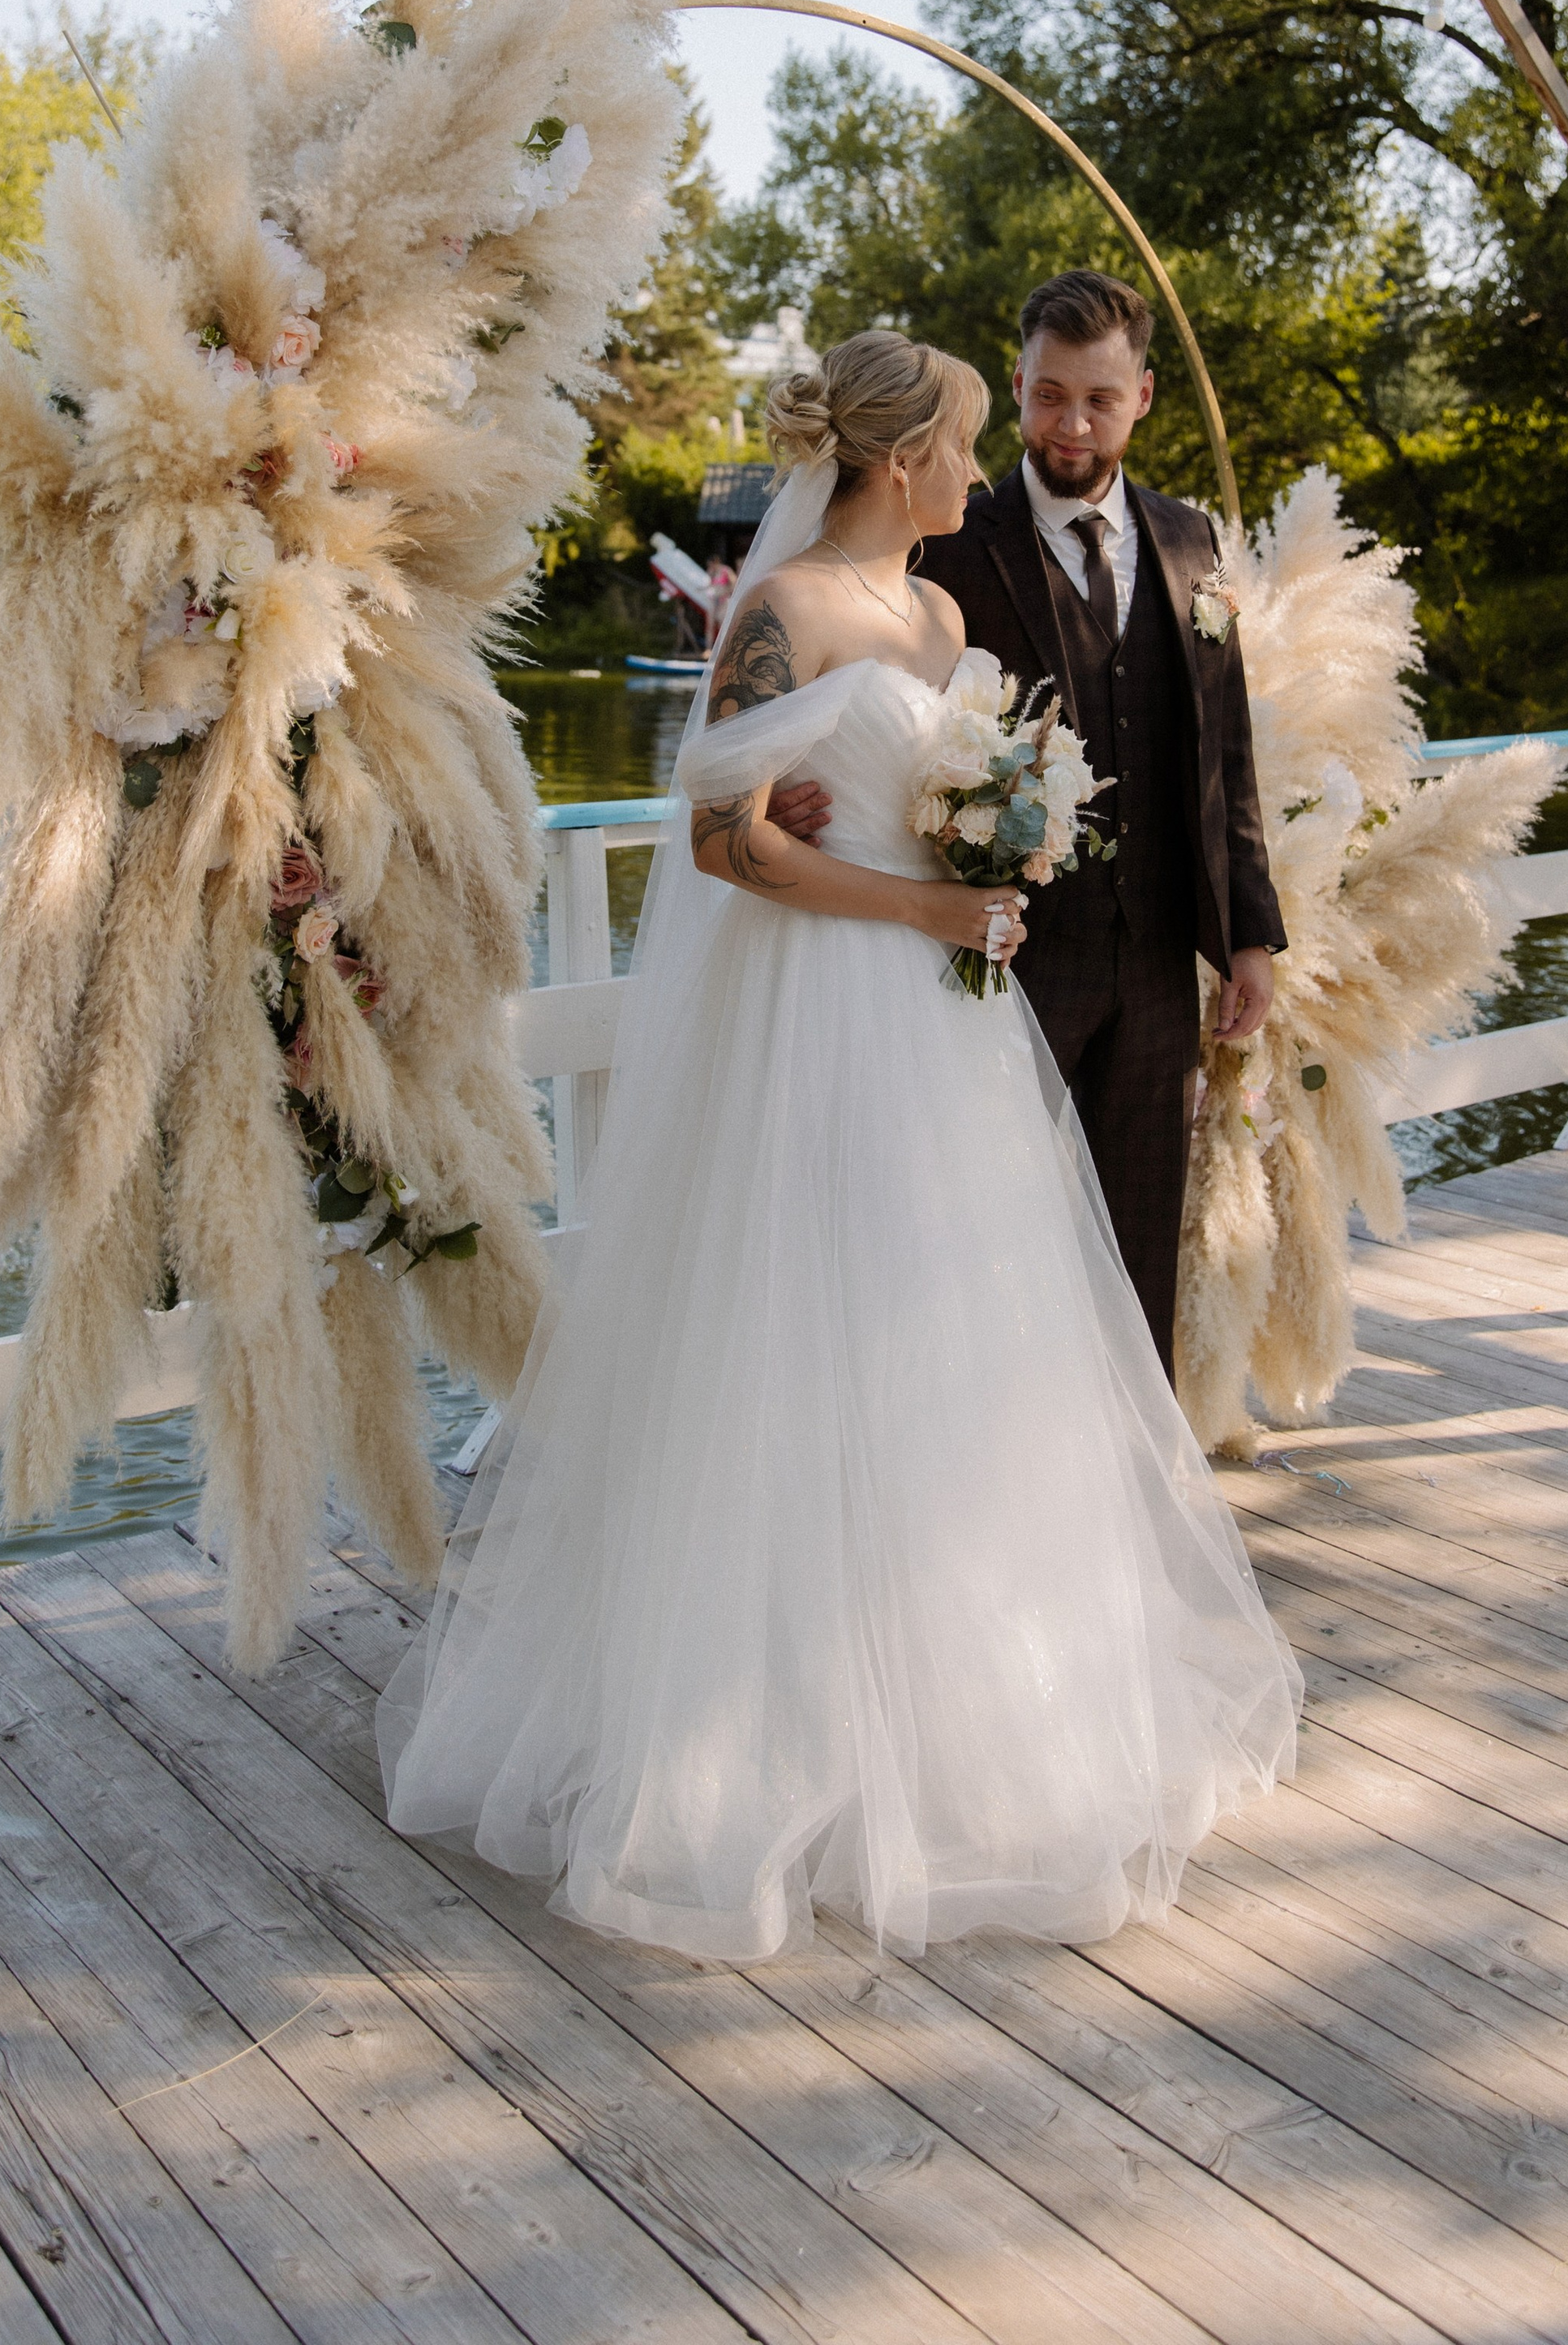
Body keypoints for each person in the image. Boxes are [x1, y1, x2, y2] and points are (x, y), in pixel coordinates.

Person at [380, 330, 1300, 1962]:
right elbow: (720, 839)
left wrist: (995, 831)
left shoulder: (941, 615)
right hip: (823, 1013)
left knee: (953, 1348)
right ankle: (772, 1717)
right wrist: (924, 895)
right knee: (806, 1333)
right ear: (899, 459)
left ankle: (966, 1691)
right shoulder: (784, 610)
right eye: (958, 438)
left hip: (943, 1030)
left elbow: (914, 784)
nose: (976, 462)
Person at [899, 269, 1287, 1385]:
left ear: (1145, 397)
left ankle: (1143, 1504)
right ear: (1016, 385)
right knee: (973, 1236)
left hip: (1160, 957)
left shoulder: (1189, 540)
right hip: (1001, 956)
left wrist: (1249, 936)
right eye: (1049, 395)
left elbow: (1228, 752)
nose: (1072, 425)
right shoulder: (952, 540)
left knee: (1138, 1244)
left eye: (1099, 401)